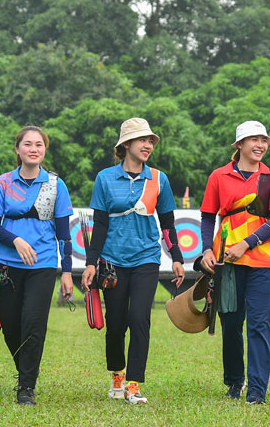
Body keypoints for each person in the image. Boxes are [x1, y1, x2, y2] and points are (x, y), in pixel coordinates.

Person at [81, 117, 185, 405]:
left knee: (139, 318)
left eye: (150, 140)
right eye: (142, 140)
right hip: (112, 261)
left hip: (146, 259)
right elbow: (100, 224)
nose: (148, 145)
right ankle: (117, 373)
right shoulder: (104, 178)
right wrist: (91, 263)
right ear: (126, 144)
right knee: (116, 324)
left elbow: (167, 223)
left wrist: (177, 258)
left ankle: (133, 384)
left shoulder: (159, 179)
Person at [198, 120, 270, 404]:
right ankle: (235, 381)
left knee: (260, 324)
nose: (260, 145)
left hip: (262, 261)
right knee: (230, 323)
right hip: (226, 260)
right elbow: (207, 216)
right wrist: (206, 250)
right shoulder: (219, 175)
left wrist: (247, 243)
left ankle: (256, 390)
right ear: (239, 144)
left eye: (264, 140)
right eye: (254, 139)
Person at [0, 125, 74, 406]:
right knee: (11, 327)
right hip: (7, 266)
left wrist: (67, 271)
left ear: (44, 149)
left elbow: (64, 233)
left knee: (33, 324)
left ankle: (26, 386)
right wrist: (17, 240)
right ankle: (26, 369)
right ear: (17, 149)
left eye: (39, 144)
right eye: (27, 144)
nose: (33, 149)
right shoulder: (2, 183)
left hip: (42, 265)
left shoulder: (56, 185)